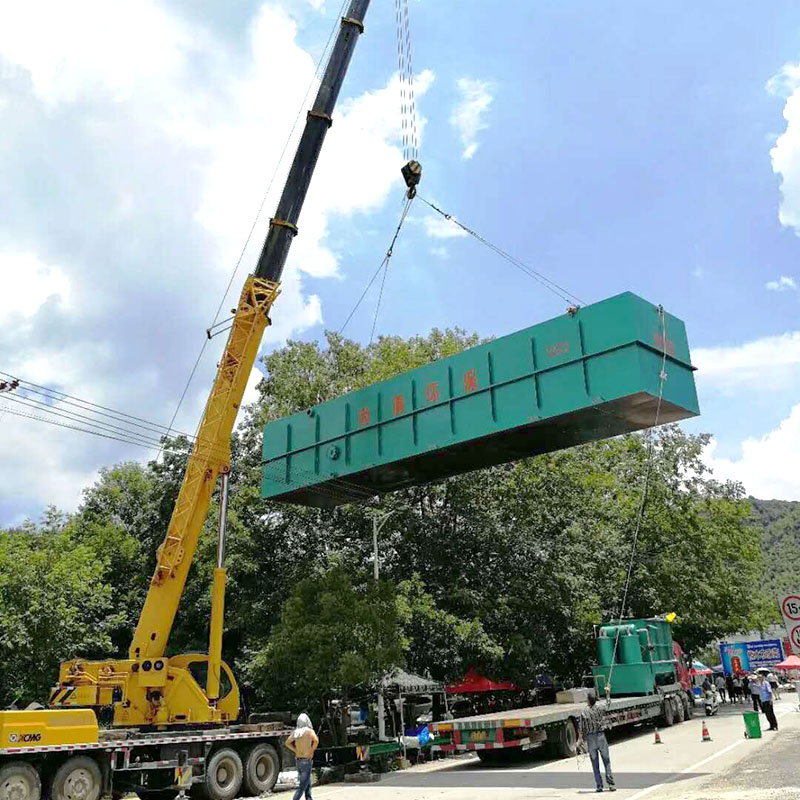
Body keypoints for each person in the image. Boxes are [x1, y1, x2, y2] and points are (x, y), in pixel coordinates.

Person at [578, 692, 616, 793]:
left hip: (590, 738)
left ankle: (599, 786)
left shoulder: (584, 711)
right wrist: (608, 693)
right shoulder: (599, 708)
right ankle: (611, 784)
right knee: (606, 761)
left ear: (588, 700)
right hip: (600, 736)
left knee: (595, 763)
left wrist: (580, 740)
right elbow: (608, 704)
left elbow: (581, 727)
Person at [285, 713, 319, 800]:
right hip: (306, 760)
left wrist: (295, 750)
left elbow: (287, 743)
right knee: (302, 785)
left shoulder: (296, 732)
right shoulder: (309, 731)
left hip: (298, 760)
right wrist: (311, 751)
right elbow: (316, 740)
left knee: (307, 782)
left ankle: (309, 798)